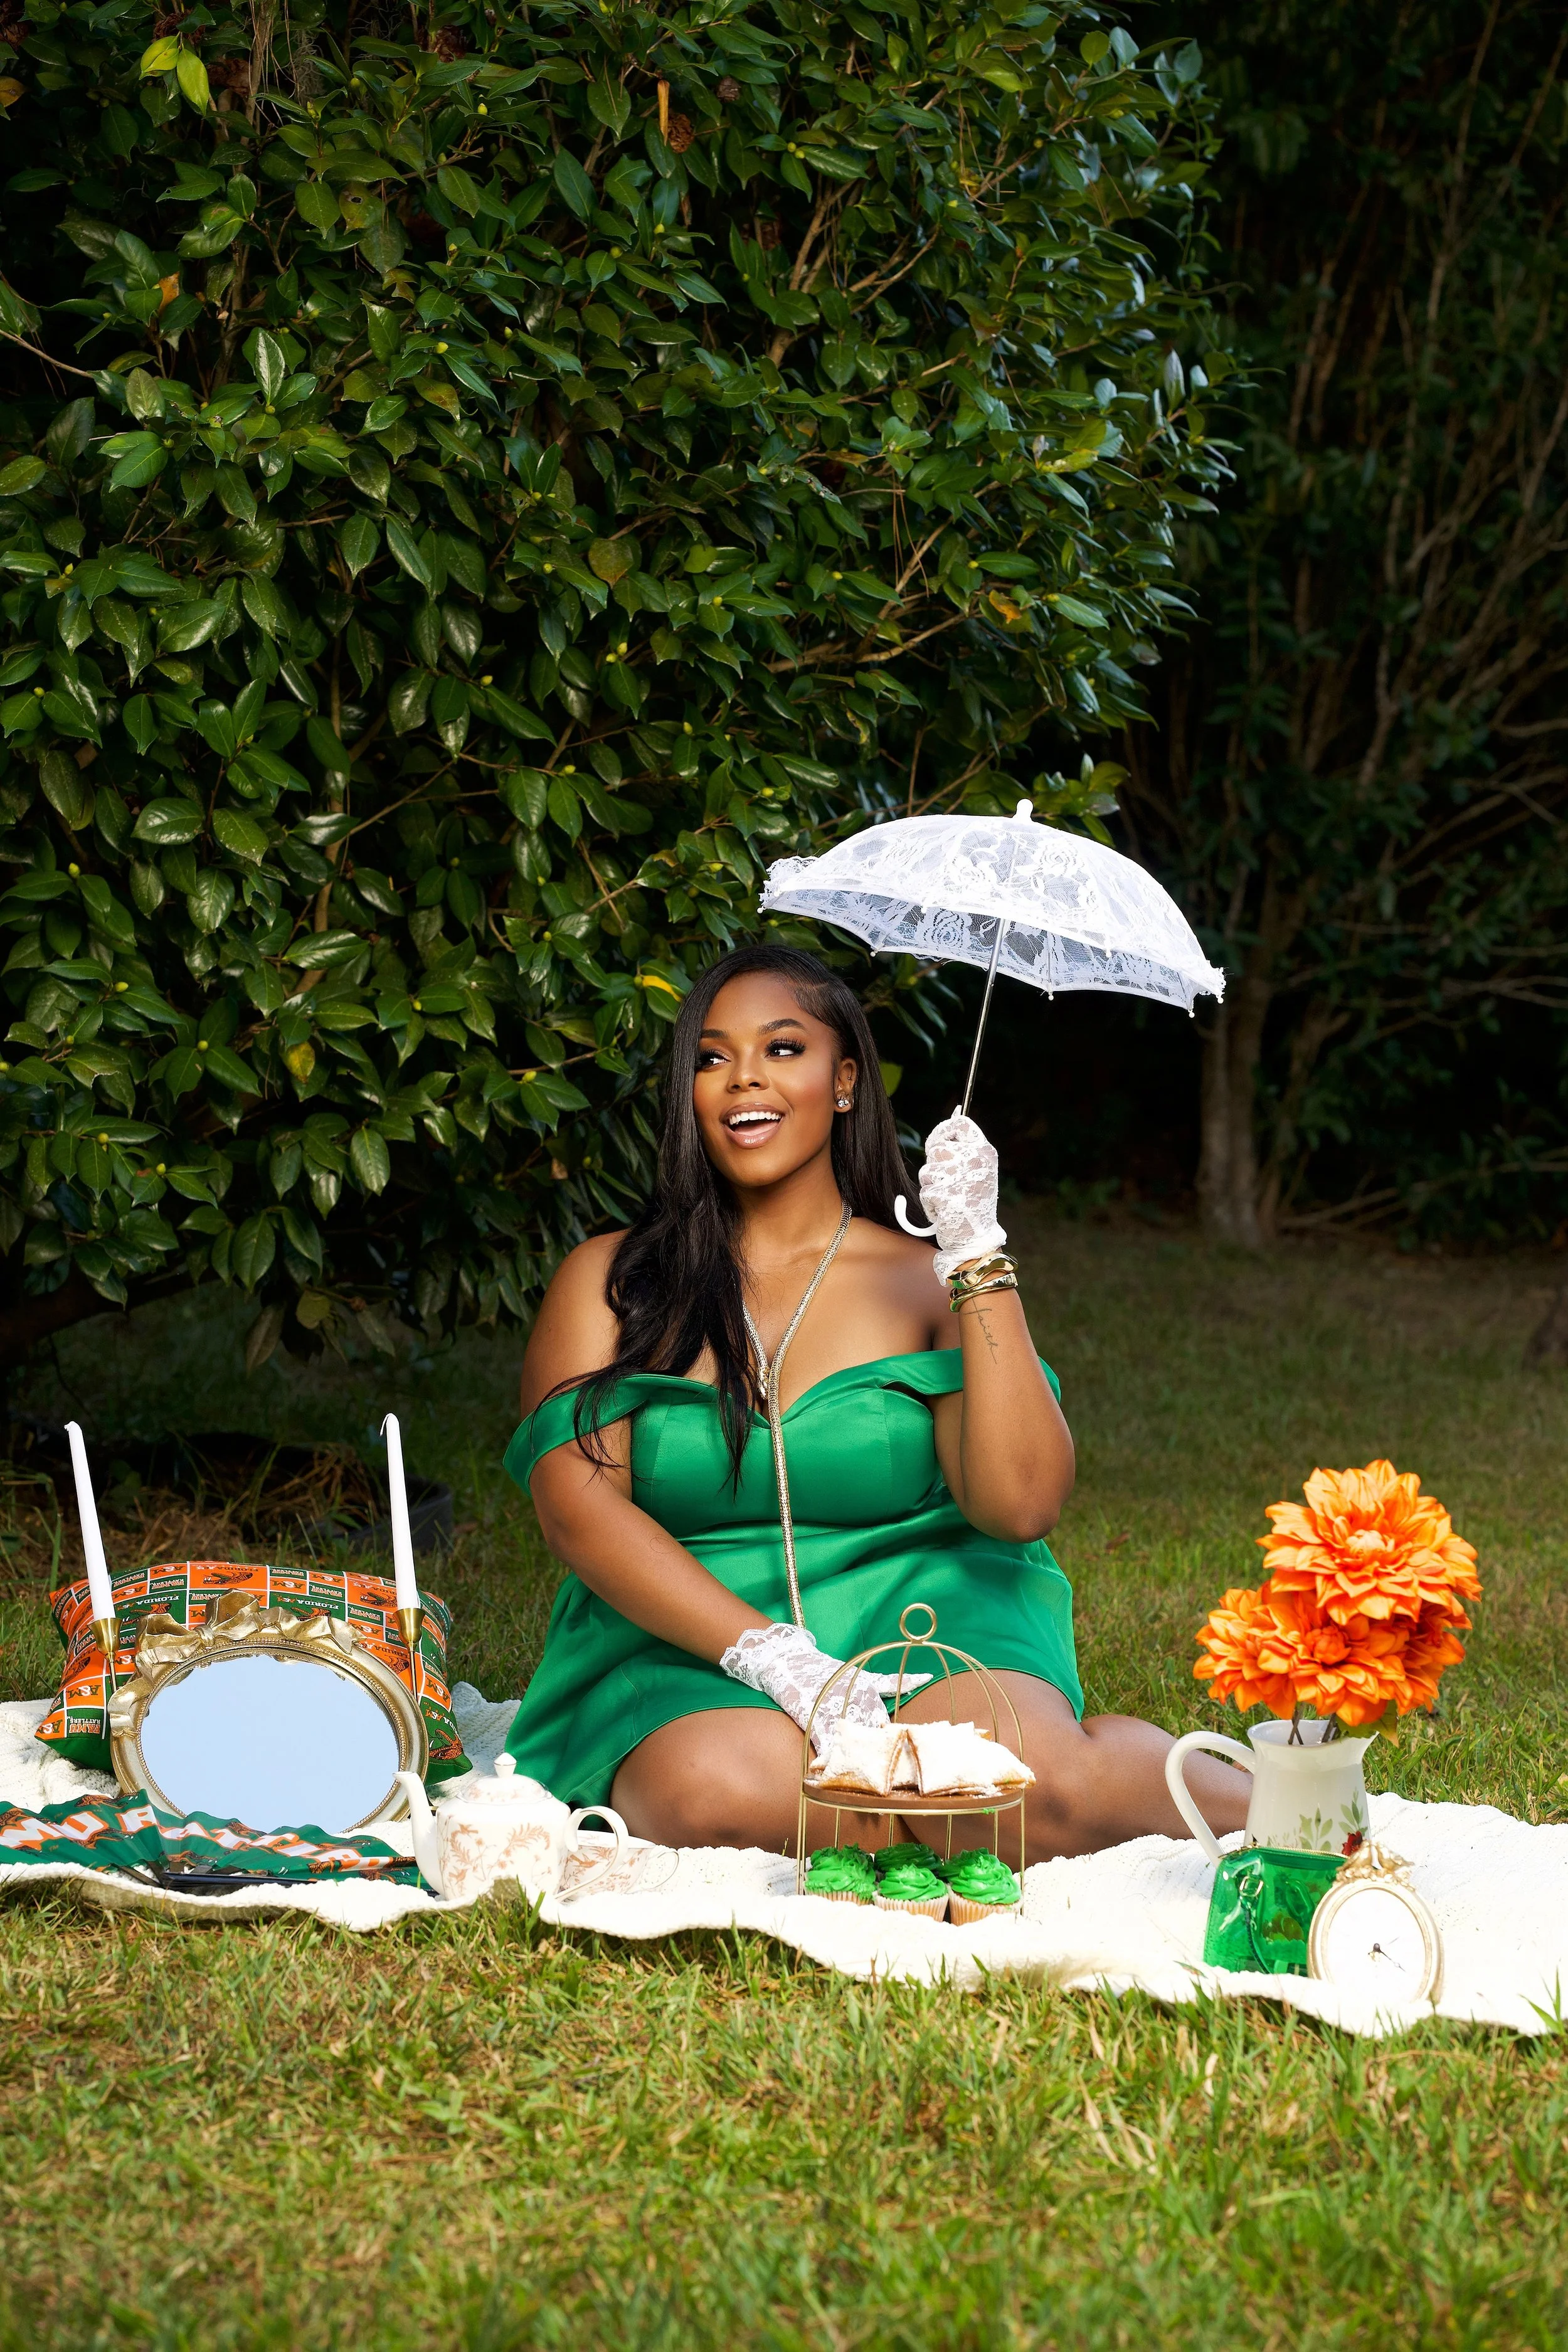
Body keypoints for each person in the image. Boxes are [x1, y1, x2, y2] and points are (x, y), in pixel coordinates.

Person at [503, 944, 1249, 1862]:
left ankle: (1278, 1804)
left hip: (925, 1609)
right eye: (711, 1055)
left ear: (845, 1078)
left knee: (1019, 1778)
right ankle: (944, 1813)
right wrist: (768, 1653)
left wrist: (976, 1253)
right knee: (713, 1794)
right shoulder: (610, 1279)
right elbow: (576, 1507)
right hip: (693, 1633)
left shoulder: (925, 1281)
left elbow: (1020, 1504)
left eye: (783, 1048)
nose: (744, 1078)